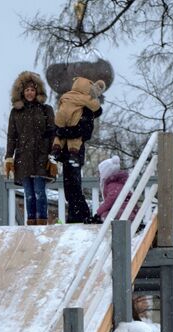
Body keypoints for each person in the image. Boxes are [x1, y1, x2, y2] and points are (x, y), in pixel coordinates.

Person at [5, 71, 55, 225]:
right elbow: (12, 136)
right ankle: (31, 222)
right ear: (22, 92)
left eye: (32, 90)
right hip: (23, 157)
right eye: (27, 90)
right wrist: (9, 157)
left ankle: (42, 221)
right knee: (29, 194)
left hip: (41, 156)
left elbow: (52, 133)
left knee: (40, 192)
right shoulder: (16, 112)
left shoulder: (46, 110)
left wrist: (52, 156)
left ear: (37, 91)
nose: (30, 93)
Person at [52, 76, 105, 223]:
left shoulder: (85, 109)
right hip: (68, 151)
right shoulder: (71, 104)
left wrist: (62, 132)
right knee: (69, 186)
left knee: (73, 185)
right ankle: (77, 213)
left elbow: (84, 132)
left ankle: (80, 214)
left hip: (75, 150)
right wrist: (61, 132)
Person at [94, 155, 131, 219]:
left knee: (105, 215)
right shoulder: (117, 183)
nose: (99, 175)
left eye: (100, 173)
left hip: (124, 211)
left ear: (106, 173)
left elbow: (110, 201)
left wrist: (98, 213)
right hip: (125, 210)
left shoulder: (113, 185)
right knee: (106, 214)